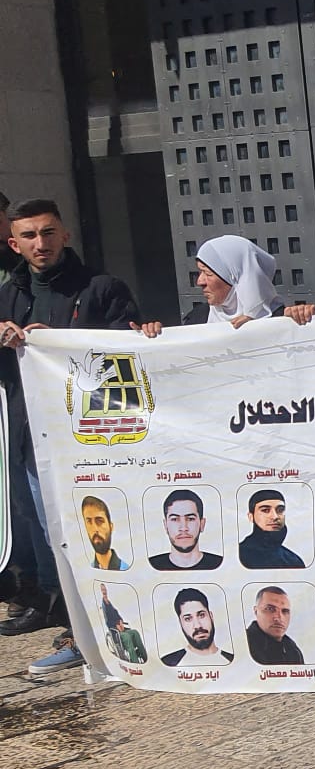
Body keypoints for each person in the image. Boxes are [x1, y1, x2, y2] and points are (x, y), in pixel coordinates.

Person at [0, 200, 149, 665]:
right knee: (54, 535)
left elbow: (127, 356)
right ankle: (77, 626)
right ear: (14, 244)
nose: (40, 244)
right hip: (30, 437)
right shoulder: (8, 295)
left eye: (48, 233)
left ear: (65, 235)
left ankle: (111, 625)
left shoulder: (102, 287)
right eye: (29, 236)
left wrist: (60, 342)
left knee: (98, 531)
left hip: (90, 441)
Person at [190, 234, 282, 325]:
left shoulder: (281, 321)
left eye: (208, 273)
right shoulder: (197, 319)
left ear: (235, 277)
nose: (200, 282)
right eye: (200, 272)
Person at [150, 489, 224, 571]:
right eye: (175, 519)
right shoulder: (151, 566)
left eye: (190, 519)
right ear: (165, 525)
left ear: (202, 524)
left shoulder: (220, 564)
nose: (183, 528)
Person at [162, 587, 234, 666]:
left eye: (201, 615)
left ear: (211, 616)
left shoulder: (233, 661)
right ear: (180, 623)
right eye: (188, 619)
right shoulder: (167, 663)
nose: (197, 625)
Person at [239, 489, 307, 570]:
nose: (275, 516)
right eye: (265, 510)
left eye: (280, 510)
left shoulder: (294, 561)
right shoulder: (238, 556)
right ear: (251, 517)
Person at [245, 586, 306, 665]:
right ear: (256, 611)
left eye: (285, 611)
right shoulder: (242, 645)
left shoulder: (292, 649)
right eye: (270, 609)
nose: (279, 617)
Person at [80, 496, 128, 572]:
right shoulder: (86, 571)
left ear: (111, 527)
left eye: (99, 521)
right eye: (89, 522)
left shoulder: (126, 569)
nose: (95, 529)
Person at [99, 587, 146, 664]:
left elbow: (117, 615)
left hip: (121, 628)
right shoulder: (104, 607)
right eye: (103, 590)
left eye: (105, 589)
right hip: (116, 632)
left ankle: (144, 656)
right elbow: (108, 622)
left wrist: (120, 621)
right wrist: (116, 625)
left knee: (135, 632)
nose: (104, 591)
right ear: (101, 591)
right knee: (127, 636)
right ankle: (135, 661)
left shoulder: (110, 604)